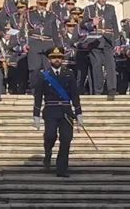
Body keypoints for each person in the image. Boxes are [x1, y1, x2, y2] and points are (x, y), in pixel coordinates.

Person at [33, 47, 83, 178]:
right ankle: (48, 151)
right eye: (54, 58)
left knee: (66, 139)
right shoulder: (44, 75)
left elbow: (74, 94)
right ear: (49, 59)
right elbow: (38, 95)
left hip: (66, 111)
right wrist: (36, 115)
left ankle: (62, 168)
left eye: (59, 57)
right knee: (50, 135)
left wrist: (78, 113)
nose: (57, 60)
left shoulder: (69, 74)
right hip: (50, 110)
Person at [81, 0, 119, 100]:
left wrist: (117, 42)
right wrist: (92, 23)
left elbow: (115, 26)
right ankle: (98, 90)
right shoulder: (89, 9)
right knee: (96, 66)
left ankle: (112, 89)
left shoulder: (111, 8)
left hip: (108, 40)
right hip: (95, 41)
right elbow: (83, 24)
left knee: (111, 65)